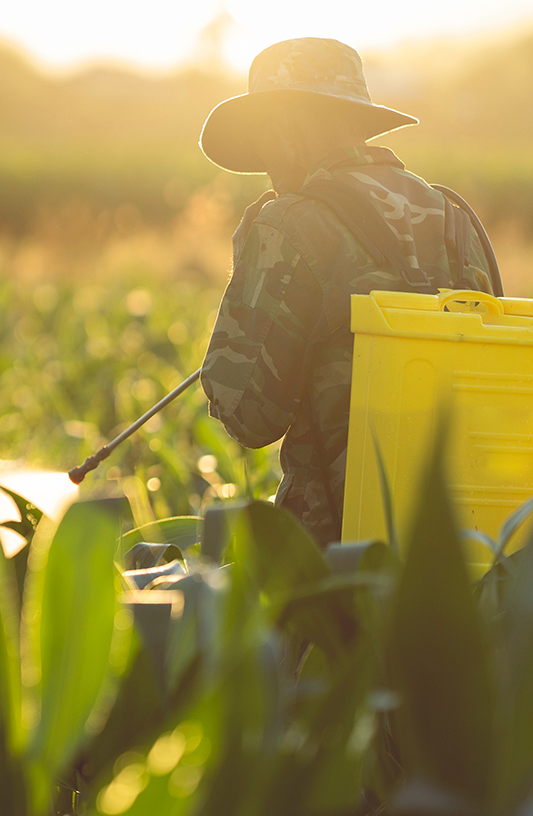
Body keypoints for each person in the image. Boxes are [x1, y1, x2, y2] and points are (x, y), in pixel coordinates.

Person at [198, 38, 493, 547]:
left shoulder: (290, 224)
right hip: (465, 548)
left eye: (263, 142)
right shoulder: (455, 219)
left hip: (337, 564)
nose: (266, 165)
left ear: (288, 130)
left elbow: (248, 416)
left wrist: (252, 263)